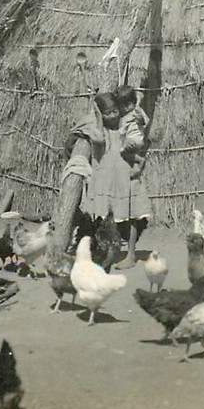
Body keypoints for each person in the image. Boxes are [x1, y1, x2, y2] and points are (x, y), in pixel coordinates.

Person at [81, 89, 151, 270]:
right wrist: (97, 116)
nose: (112, 115)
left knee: (132, 216)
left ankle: (131, 255)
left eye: (115, 110)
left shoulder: (124, 127)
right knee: (100, 217)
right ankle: (102, 251)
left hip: (125, 179)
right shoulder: (97, 129)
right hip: (104, 181)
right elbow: (98, 138)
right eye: (107, 112)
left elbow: (138, 133)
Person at [111, 85, 151, 269]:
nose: (124, 109)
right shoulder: (122, 115)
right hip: (121, 167)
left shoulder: (134, 113)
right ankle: (120, 250)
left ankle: (131, 255)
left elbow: (144, 120)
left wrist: (139, 117)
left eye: (127, 105)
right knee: (122, 211)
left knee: (133, 213)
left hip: (133, 146)